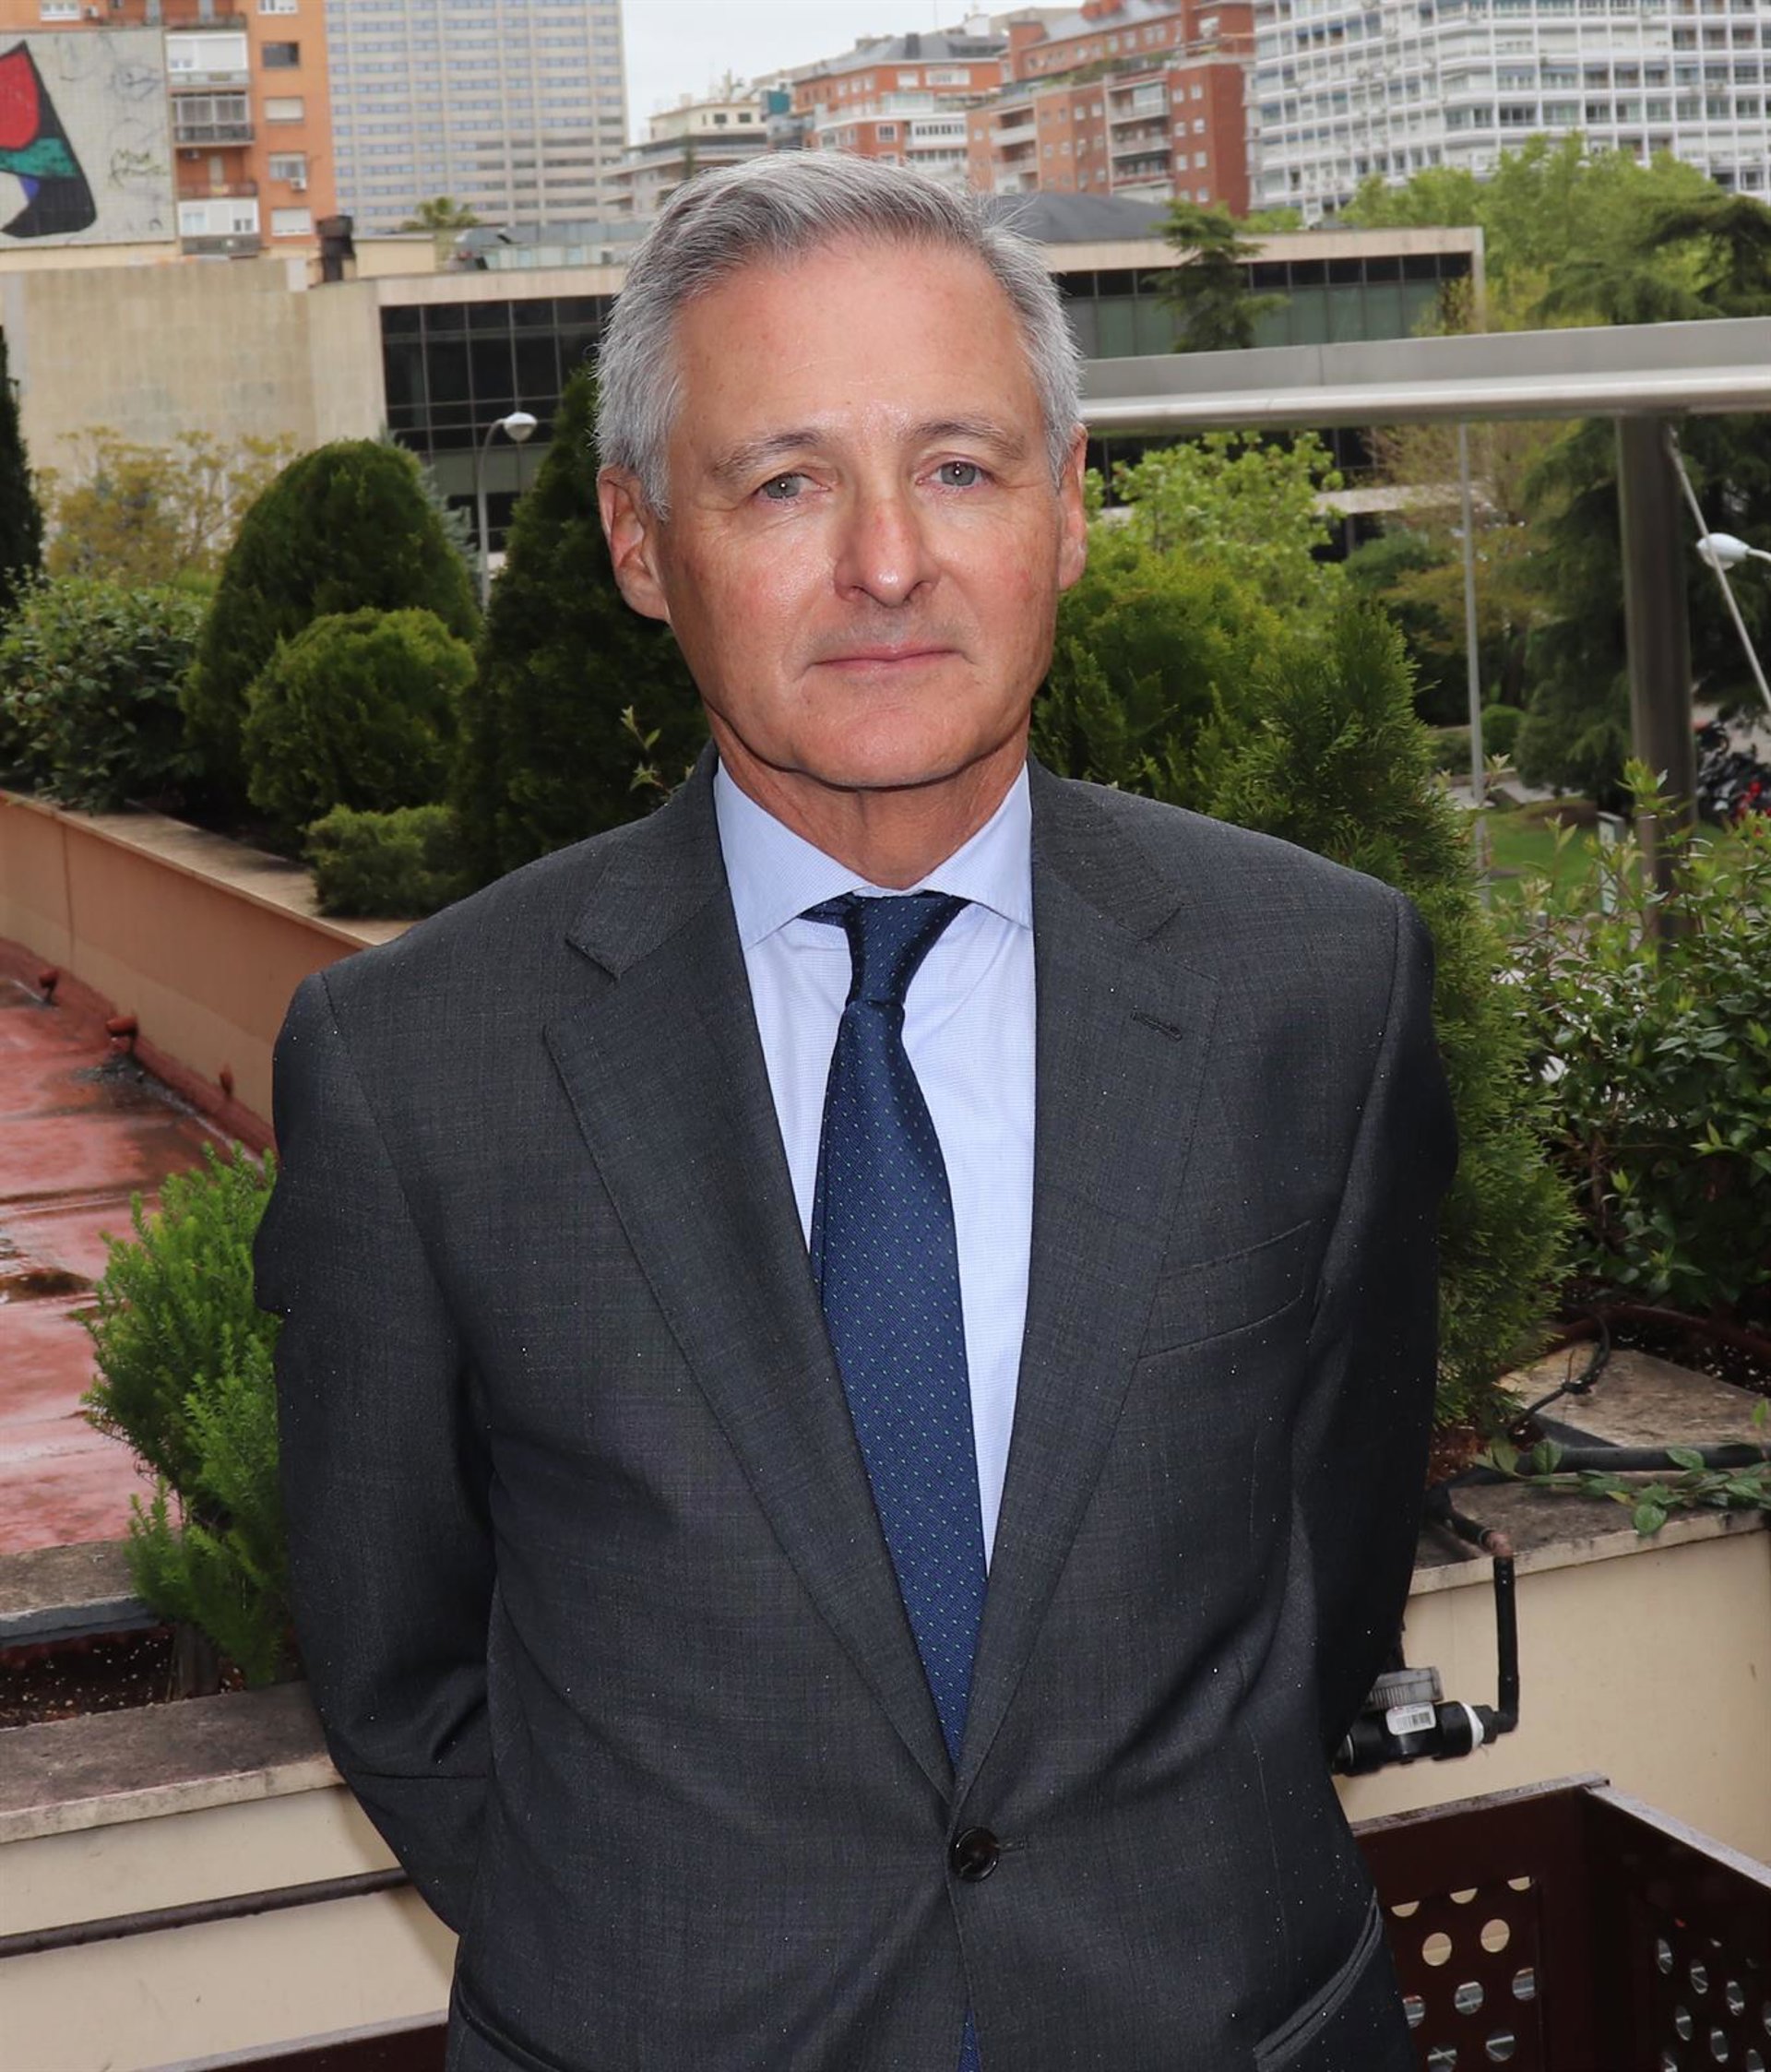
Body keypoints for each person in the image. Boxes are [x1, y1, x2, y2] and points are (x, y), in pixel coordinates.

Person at [256, 153, 1456, 2072]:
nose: (888, 562)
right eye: (785, 483)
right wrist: (670, 1951)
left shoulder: (1317, 988)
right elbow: (402, 1678)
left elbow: (1330, 1565)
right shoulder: (414, 1070)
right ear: (640, 541)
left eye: (961, 467)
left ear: (1068, 508)